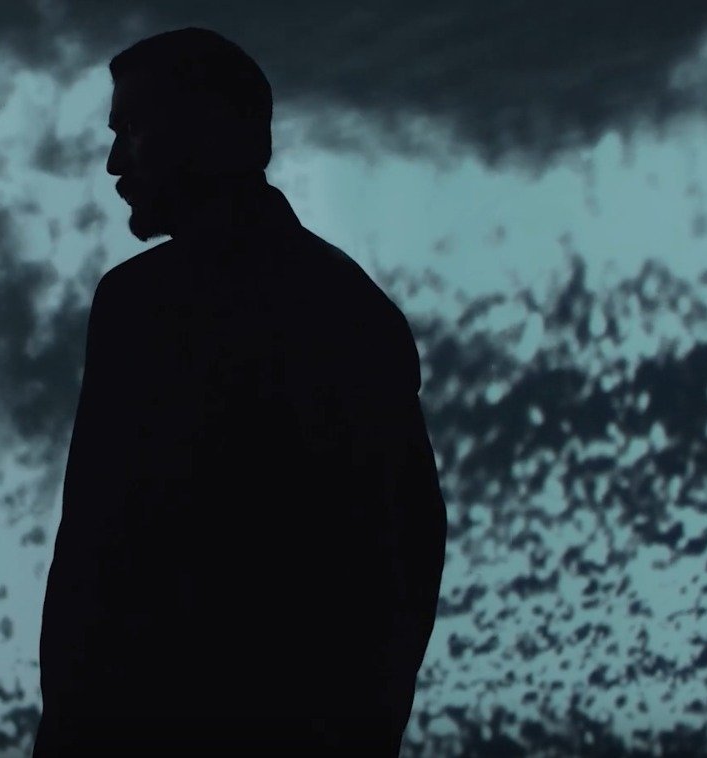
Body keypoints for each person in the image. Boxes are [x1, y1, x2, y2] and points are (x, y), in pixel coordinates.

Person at [33, 27, 448, 756]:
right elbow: (408, 553)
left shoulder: (142, 306)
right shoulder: (353, 307)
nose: (113, 162)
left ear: (204, 130)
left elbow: (96, 559)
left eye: (133, 129)